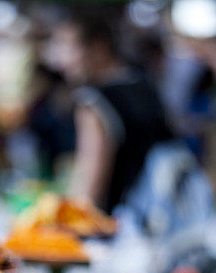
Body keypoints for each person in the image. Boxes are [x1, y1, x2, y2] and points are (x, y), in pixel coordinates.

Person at [59, 7, 172, 213]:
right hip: (160, 218)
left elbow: (89, 188)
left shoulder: (92, 101)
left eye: (69, 47)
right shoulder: (144, 84)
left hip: (119, 224)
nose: (62, 60)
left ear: (98, 47)